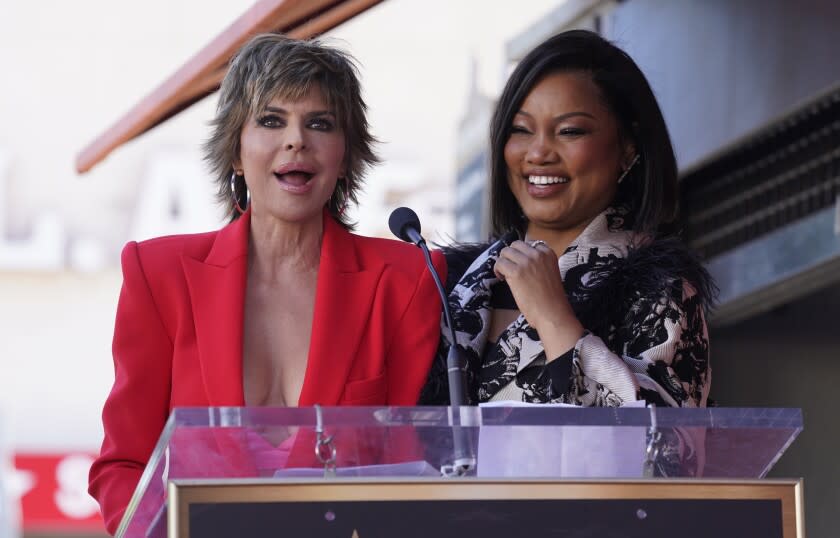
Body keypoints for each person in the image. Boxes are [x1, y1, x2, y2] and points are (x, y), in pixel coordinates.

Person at [89, 34, 444, 534]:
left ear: (344, 157)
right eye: (271, 121)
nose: (296, 140)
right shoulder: (159, 273)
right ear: (236, 150)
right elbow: (124, 466)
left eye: (320, 123)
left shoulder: (405, 280)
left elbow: (409, 466)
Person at [422, 30, 714, 410]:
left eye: (569, 131)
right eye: (521, 130)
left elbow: (667, 454)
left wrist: (555, 320)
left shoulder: (658, 289)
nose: (538, 152)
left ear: (628, 148)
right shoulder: (453, 284)